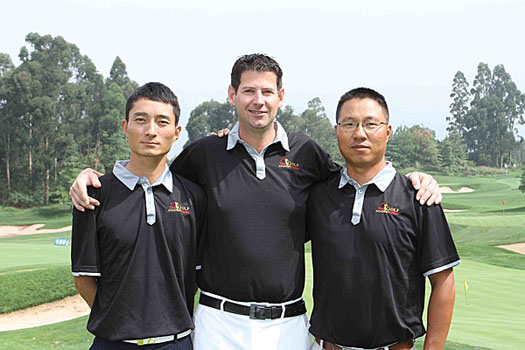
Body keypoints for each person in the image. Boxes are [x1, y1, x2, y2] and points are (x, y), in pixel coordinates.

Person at [70, 54, 442, 350]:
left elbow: (356, 178)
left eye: (267, 91)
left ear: (281, 97)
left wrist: (414, 179)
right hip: (217, 322)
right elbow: (153, 174)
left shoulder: (307, 153)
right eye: (248, 91)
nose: (258, 101)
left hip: (289, 324)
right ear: (232, 95)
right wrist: (91, 177)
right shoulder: (204, 153)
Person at [306, 88, 460, 350]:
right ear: (337, 131)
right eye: (349, 124)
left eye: (370, 124)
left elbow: (443, 281)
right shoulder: (319, 195)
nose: (359, 133)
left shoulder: (417, 197)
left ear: (387, 132)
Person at [71, 82, 206, 350]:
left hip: (176, 343)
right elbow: (83, 279)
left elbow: (193, 278)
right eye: (141, 120)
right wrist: (118, 322)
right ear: (125, 127)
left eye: (162, 122)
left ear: (176, 132)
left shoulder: (193, 197)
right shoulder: (93, 195)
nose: (151, 131)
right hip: (112, 343)